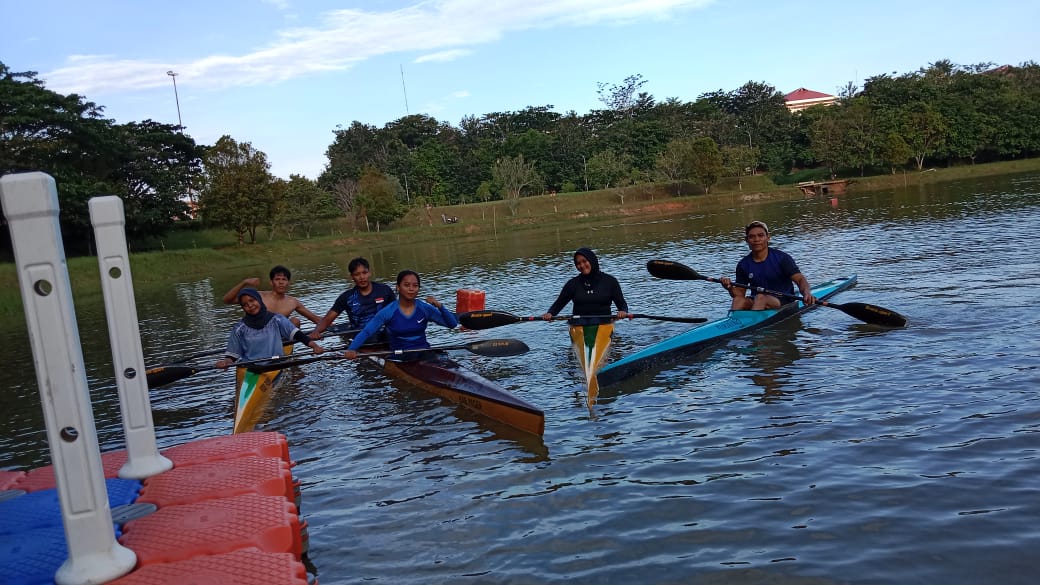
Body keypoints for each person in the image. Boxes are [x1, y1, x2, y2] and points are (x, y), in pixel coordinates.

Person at [343, 270, 458, 359]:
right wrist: (352, 349)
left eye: (415, 286)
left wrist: (440, 306)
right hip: (400, 356)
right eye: (407, 285)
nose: (411, 289)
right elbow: (367, 331)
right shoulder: (388, 312)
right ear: (398, 287)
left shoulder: (425, 308)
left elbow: (452, 324)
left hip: (424, 352)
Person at [215, 288, 324, 369]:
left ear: (259, 300)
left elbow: (298, 335)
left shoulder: (276, 319)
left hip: (275, 363)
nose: (250, 305)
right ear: (243, 308)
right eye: (245, 304)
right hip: (251, 368)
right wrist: (226, 362)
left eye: (252, 300)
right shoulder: (239, 328)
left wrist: (314, 346)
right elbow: (232, 356)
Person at [720, 220, 816, 310]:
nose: (756, 239)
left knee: (761, 297)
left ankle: (753, 325)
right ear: (747, 240)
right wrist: (729, 287)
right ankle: (733, 323)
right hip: (756, 300)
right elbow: (740, 294)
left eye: (760, 235)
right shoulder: (743, 265)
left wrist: (806, 293)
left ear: (768, 237)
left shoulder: (782, 258)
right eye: (752, 236)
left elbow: (800, 279)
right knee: (738, 300)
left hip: (783, 299)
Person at [310, 257, 396, 338]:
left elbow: (398, 311)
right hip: (360, 337)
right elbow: (328, 318)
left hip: (385, 334)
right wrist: (316, 331)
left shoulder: (384, 290)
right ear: (351, 276)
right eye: (357, 274)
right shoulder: (346, 297)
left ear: (369, 273)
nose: (362, 277)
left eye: (364, 273)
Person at [542, 247, 629, 322]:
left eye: (584, 261)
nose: (582, 266)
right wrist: (550, 313)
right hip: (578, 324)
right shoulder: (572, 284)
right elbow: (559, 304)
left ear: (592, 260)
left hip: (604, 323)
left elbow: (622, 304)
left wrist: (623, 312)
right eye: (578, 263)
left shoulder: (610, 281)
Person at [222, 265, 321, 327]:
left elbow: (315, 319)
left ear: (288, 283)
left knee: (295, 321)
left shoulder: (293, 302)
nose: (281, 282)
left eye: (284, 279)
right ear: (271, 282)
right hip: (261, 334)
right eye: (277, 279)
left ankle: (285, 353)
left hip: (281, 339)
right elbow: (227, 300)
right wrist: (244, 283)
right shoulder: (259, 296)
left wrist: (332, 325)